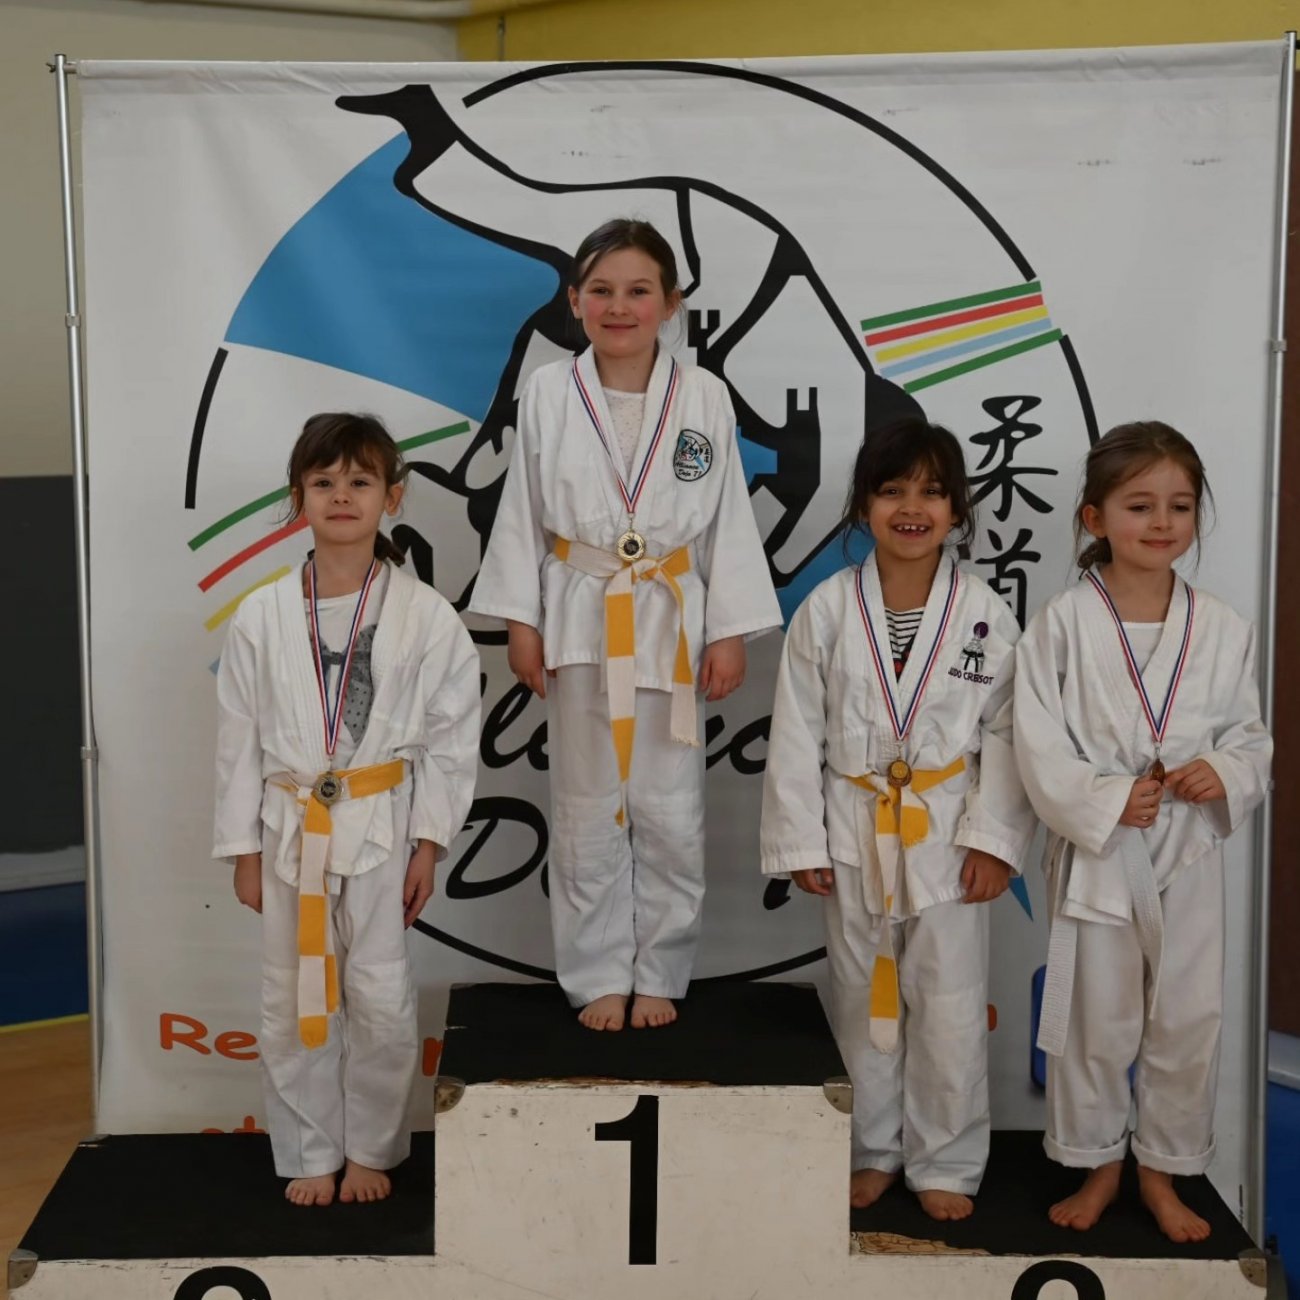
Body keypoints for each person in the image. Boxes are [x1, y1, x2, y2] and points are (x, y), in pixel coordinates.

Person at [469, 218, 781, 1032]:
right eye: (601, 291)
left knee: (670, 811)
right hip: (581, 612)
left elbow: (727, 521)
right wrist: (522, 621)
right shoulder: (548, 392)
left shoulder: (704, 396)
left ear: (671, 304)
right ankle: (597, 972)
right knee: (587, 806)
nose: (619, 307)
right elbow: (521, 511)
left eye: (639, 291)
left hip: (671, 619)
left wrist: (727, 629)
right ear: (575, 301)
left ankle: (662, 969)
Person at [761, 416, 1034, 1219]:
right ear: (863, 507)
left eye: (932, 492)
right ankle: (872, 1150)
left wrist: (994, 842)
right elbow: (797, 730)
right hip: (855, 827)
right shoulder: (827, 610)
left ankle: (946, 1159)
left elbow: (1008, 734)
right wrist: (801, 839)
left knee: (949, 1005)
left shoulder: (984, 613)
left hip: (947, 832)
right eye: (892, 491)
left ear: (957, 510)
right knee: (861, 999)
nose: (912, 508)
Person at [213, 413, 480, 1207]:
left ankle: (370, 1147)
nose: (341, 496)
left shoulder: (425, 615)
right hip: (289, 824)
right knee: (290, 993)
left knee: (381, 994)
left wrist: (430, 842)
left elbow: (452, 739)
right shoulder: (261, 615)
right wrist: (243, 852)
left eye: (360, 481)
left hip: (382, 823)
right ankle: (308, 1150)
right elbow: (238, 742)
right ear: (297, 496)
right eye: (323, 481)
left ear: (391, 497)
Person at [1014, 421, 1271, 1242]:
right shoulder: (1061, 623)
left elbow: (1249, 735)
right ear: (1095, 518)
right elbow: (1036, 743)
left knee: (1189, 1016)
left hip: (1187, 847)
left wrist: (1223, 771)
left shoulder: (1222, 626)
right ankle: (1098, 1163)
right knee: (1098, 1016)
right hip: (1102, 851)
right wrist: (1103, 798)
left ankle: (1163, 1169)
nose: (1161, 522)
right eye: (1139, 505)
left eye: (1180, 506)